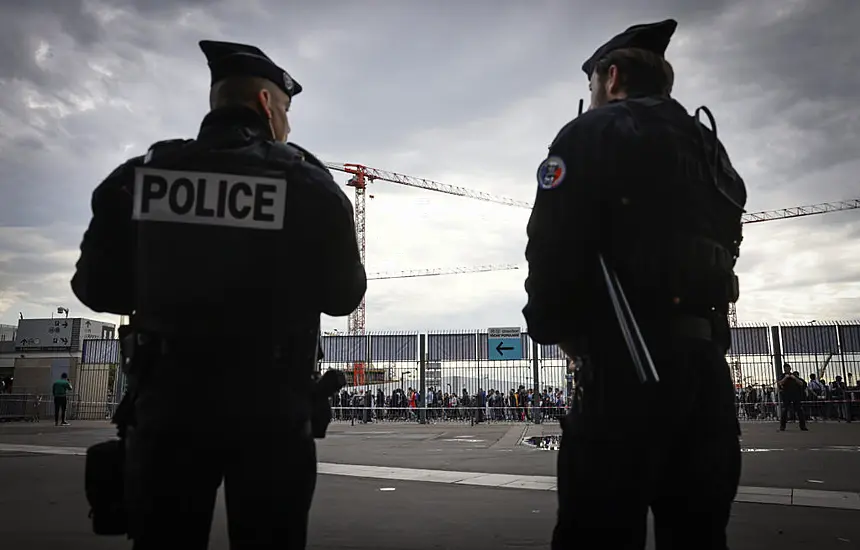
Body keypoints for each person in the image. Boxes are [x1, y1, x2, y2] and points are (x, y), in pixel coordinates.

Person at [71, 40, 366, 549]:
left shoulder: (140, 179)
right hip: (272, 410)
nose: (289, 127)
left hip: (167, 406)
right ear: (267, 106)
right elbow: (343, 296)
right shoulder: (306, 184)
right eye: (288, 112)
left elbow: (96, 289)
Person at [523, 19, 747, 549]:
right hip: (705, 372)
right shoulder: (712, 150)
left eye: (593, 86)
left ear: (613, 76)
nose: (593, 96)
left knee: (596, 533)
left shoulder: (590, 133)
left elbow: (549, 244)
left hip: (623, 368)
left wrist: (558, 333)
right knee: (698, 534)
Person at [777, 364, 808, 431]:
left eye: (788, 368)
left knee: (799, 410)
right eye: (785, 368)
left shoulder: (794, 375)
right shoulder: (783, 376)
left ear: (790, 368)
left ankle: (803, 426)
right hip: (786, 395)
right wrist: (785, 378)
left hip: (795, 395)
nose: (787, 369)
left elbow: (801, 383)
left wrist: (794, 378)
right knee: (785, 410)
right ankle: (782, 426)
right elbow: (780, 383)